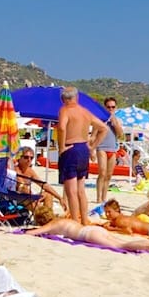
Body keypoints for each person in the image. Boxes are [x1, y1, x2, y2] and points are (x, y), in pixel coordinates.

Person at [54, 87, 109, 224]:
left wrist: (61, 147)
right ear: (77, 98)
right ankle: (84, 219)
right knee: (80, 189)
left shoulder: (65, 110)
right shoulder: (85, 112)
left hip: (70, 149)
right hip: (83, 149)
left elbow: (61, 127)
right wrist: (92, 146)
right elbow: (104, 128)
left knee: (71, 190)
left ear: (63, 99)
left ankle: (74, 221)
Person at [25, 217, 149, 258]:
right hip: (93, 229)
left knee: (121, 246)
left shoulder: (53, 224)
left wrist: (25, 231)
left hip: (88, 234)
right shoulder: (63, 219)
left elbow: (34, 233)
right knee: (124, 242)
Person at [95, 97, 126, 205]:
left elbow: (120, 134)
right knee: (102, 172)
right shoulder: (100, 118)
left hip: (112, 148)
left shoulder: (117, 120)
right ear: (105, 107)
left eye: (113, 107)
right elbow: (94, 134)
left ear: (116, 108)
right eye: (108, 107)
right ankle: (98, 197)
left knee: (108, 175)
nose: (110, 109)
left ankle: (104, 197)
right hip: (101, 147)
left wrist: (114, 122)